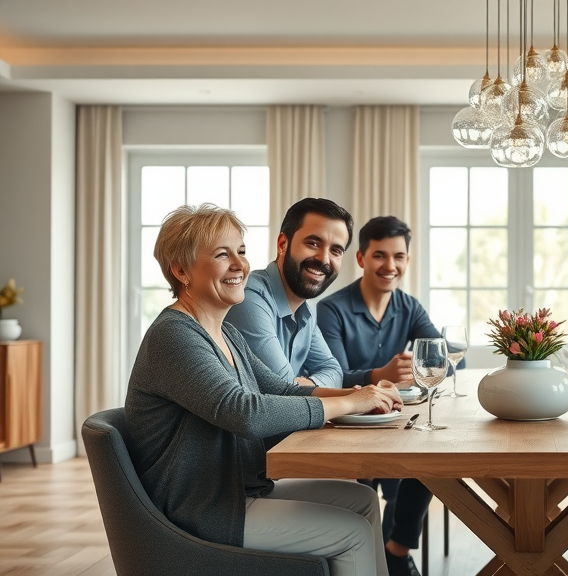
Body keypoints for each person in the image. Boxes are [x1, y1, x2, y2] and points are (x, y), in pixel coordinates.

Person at [124, 204, 403, 576]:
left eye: (240, 251)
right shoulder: (173, 335)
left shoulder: (226, 333)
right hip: (202, 508)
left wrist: (367, 396)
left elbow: (280, 390)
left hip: (238, 491)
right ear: (180, 270)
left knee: (364, 500)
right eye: (223, 254)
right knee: (352, 532)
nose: (240, 265)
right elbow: (246, 412)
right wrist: (353, 399)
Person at [317, 216, 440, 576]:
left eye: (399, 256)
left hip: (393, 419)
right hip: (343, 426)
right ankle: (376, 559)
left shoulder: (409, 306)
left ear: (407, 260)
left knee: (426, 467)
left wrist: (419, 368)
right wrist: (378, 376)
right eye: (379, 256)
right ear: (361, 259)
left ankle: (394, 552)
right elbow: (332, 375)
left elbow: (444, 359)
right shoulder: (332, 309)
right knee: (380, 488)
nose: (390, 266)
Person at [224, 197, 351, 389]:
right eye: (313, 244)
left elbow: (334, 372)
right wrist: (299, 387)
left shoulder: (306, 312)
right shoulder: (248, 296)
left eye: (336, 250)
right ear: (283, 244)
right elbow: (283, 388)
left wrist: (305, 384)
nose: (324, 259)